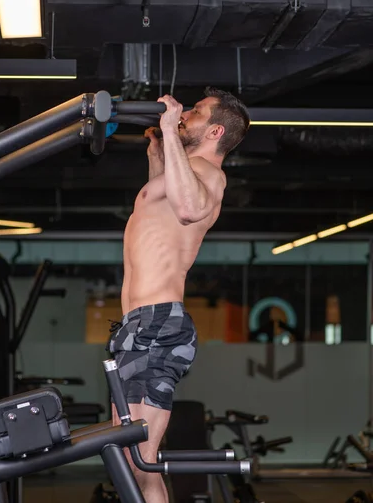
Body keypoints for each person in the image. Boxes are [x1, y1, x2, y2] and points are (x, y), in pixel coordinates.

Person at [108, 87, 250, 503]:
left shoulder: (209, 173)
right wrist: (158, 146)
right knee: (126, 455)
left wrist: (171, 129)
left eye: (196, 113)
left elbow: (188, 209)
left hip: (155, 323)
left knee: (138, 458)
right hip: (140, 325)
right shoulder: (185, 170)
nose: (185, 114)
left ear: (215, 131)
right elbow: (165, 204)